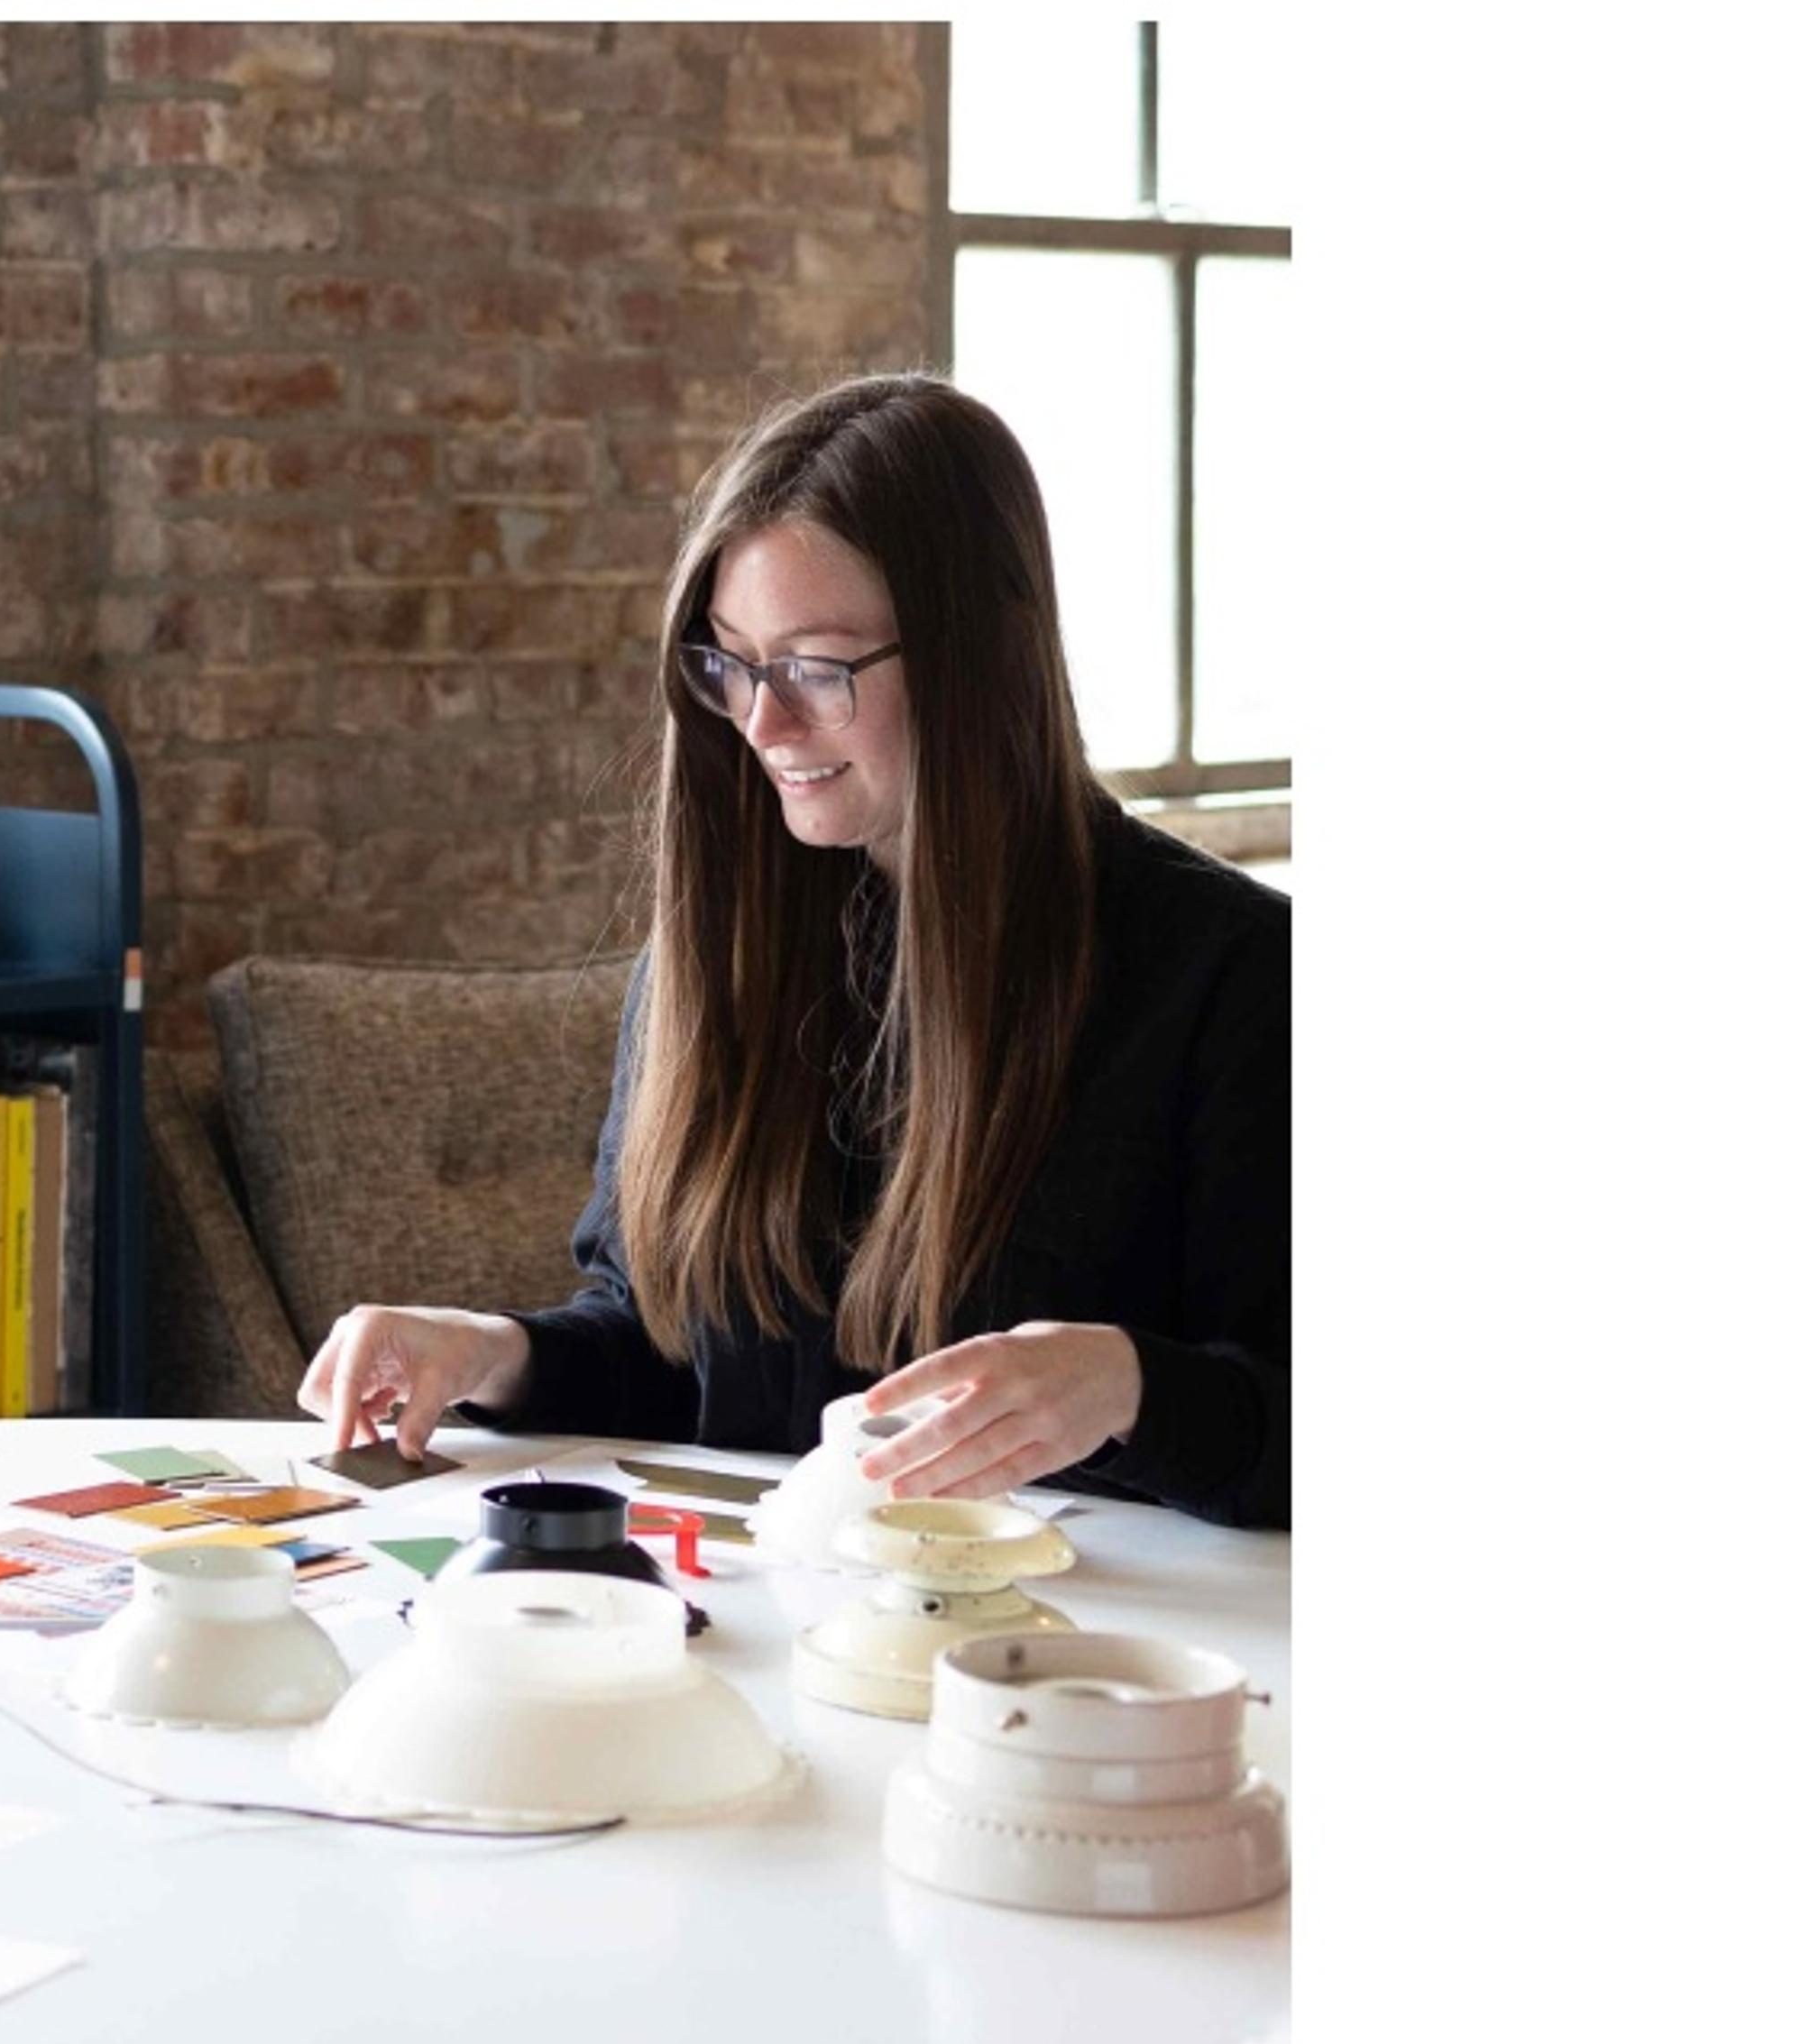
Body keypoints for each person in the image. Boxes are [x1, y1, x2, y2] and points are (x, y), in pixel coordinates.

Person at [302, 372, 1291, 1529]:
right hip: (764, 1637)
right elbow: (670, 1356)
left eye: (817, 667)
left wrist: (1127, 1385)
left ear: (982, 654)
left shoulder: (1235, 977)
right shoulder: (717, 961)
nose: (762, 725)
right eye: (733, 663)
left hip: (1077, 1675)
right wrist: (485, 1351)